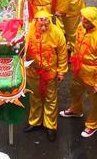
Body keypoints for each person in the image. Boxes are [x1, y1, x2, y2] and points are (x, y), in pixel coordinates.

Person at [60, 7, 97, 138]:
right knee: (75, 89)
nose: (83, 21)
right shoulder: (82, 27)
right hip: (79, 69)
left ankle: (93, 124)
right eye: (83, 18)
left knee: (95, 101)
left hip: (93, 74)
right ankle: (76, 109)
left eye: (87, 20)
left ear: (93, 21)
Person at [25, 10, 68, 142]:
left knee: (51, 99)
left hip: (50, 73)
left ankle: (50, 125)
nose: (43, 28)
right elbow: (21, 50)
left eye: (46, 25)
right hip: (33, 73)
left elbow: (62, 53)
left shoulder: (57, 33)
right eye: (41, 25)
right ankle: (35, 121)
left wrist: (61, 71)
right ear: (35, 23)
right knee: (34, 98)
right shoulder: (28, 32)